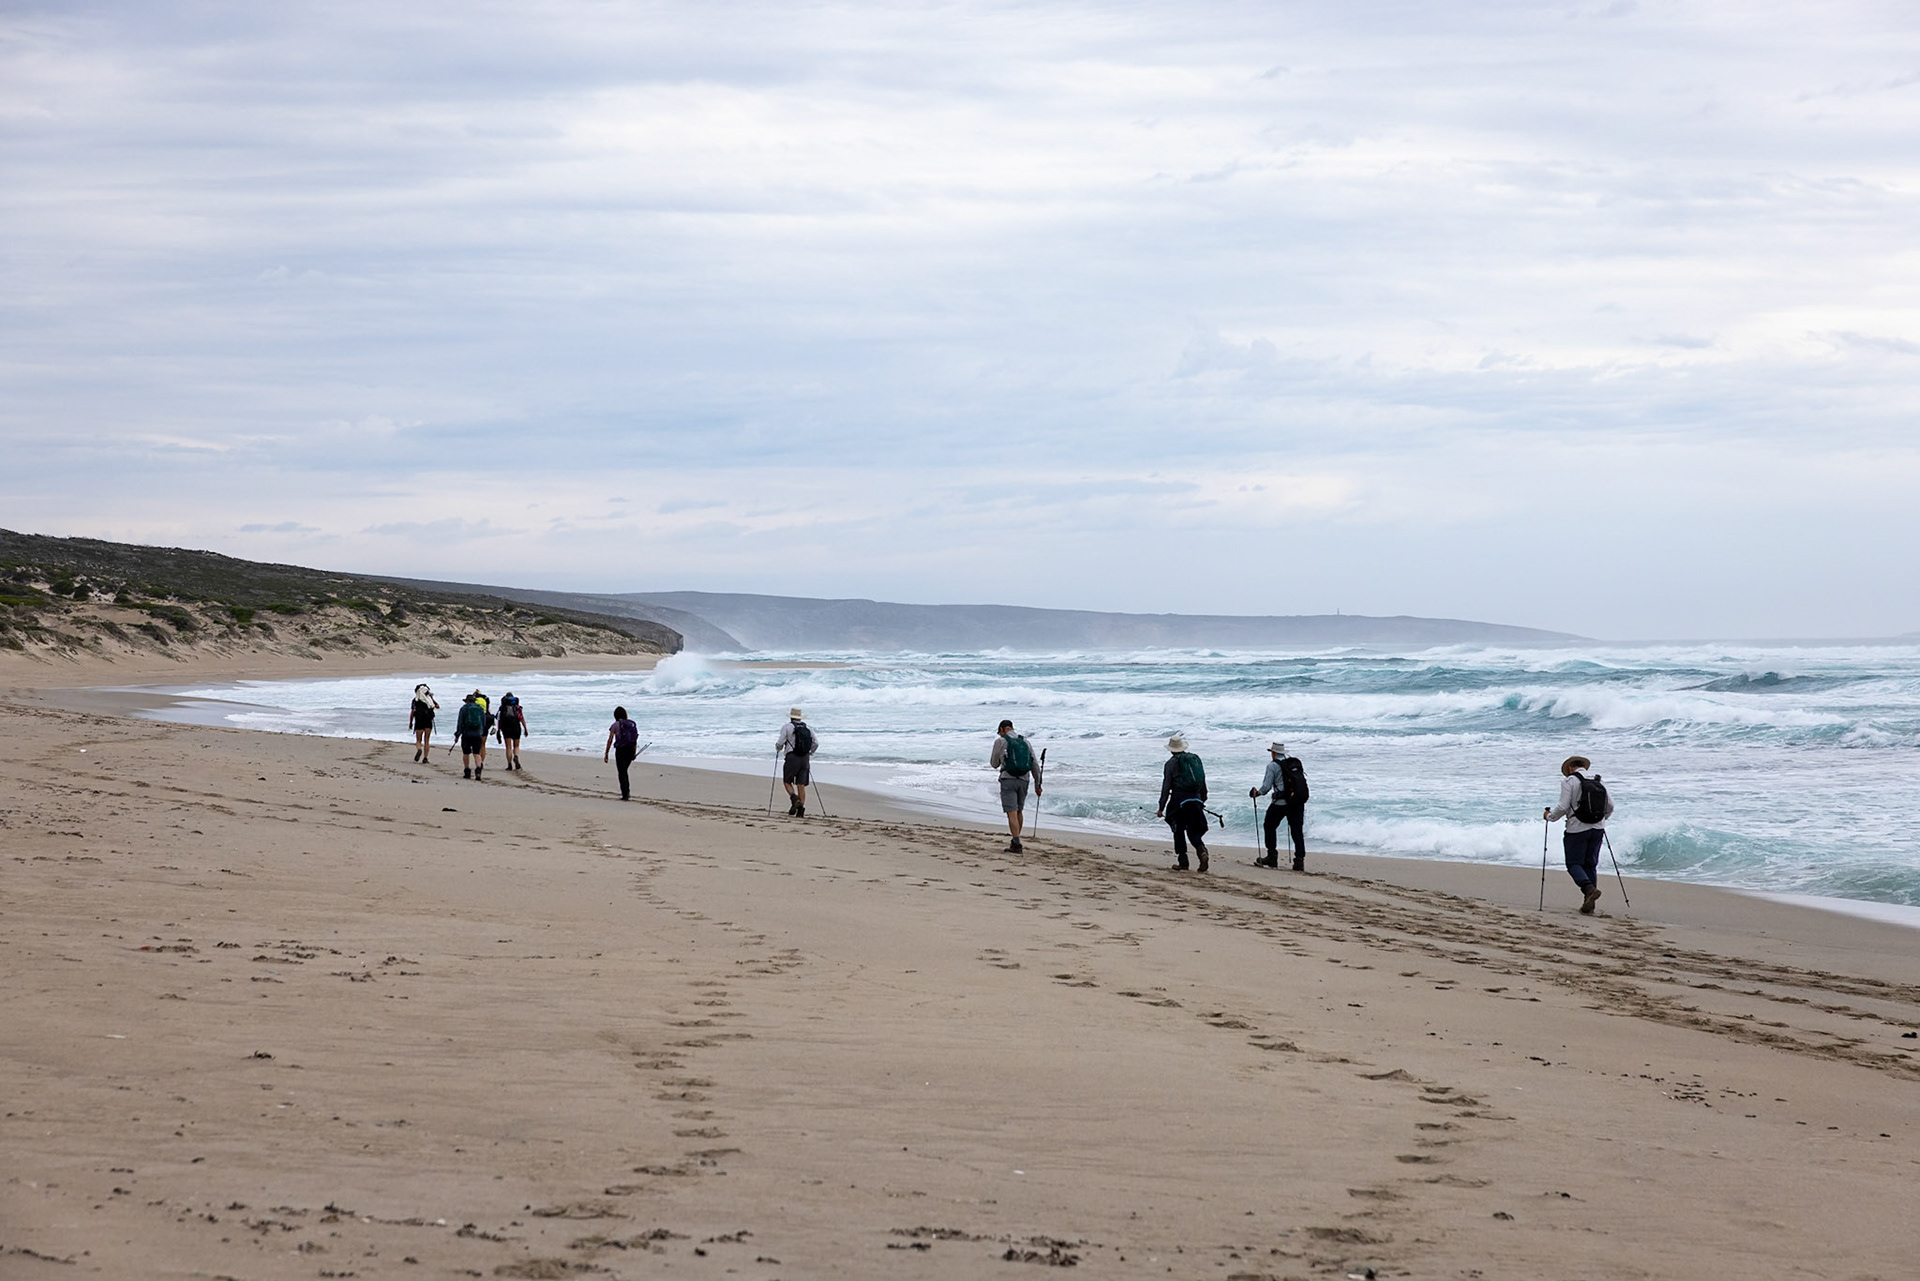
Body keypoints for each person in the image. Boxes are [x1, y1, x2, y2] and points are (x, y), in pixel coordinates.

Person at [1544, 754, 1614, 914]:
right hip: (1597, 828)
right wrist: (1601, 820)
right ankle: (1589, 904)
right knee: (1590, 864)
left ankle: (1589, 889)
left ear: (1570, 768)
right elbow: (1610, 805)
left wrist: (1550, 817)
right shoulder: (1599, 780)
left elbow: (1562, 806)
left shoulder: (1569, 781)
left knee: (1574, 864)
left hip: (1576, 829)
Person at [1250, 741, 1309, 870]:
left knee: (1269, 825)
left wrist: (1257, 793)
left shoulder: (1273, 766)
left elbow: (1266, 787)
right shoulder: (1293, 764)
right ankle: (1299, 861)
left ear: (1273, 753)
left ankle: (1272, 857)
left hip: (1281, 803)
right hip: (1297, 802)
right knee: (1297, 831)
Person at [1156, 735, 1209, 872]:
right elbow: (1202, 781)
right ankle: (1201, 850)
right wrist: (1202, 799)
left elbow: (1166, 788)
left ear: (1171, 749)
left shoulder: (1170, 764)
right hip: (1196, 799)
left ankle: (1183, 862)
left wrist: (1161, 807)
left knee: (1178, 829)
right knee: (1194, 830)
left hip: (1179, 801)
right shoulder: (1194, 760)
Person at [989, 719, 1042, 853]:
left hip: (1008, 779)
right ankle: (1015, 839)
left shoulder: (1000, 741)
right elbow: (1034, 763)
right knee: (1019, 811)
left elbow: (994, 764)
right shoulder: (1025, 741)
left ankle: (1017, 842)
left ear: (1002, 729)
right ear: (1012, 728)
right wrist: (1038, 784)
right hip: (1024, 780)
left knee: (1011, 812)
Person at [776, 707, 818, 817]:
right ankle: (801, 810)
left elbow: (780, 742)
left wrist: (778, 748)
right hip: (804, 758)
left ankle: (794, 798)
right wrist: (810, 753)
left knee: (787, 781)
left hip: (792, 757)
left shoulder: (787, 727)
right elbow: (816, 743)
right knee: (801, 784)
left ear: (791, 716)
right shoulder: (808, 727)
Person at [604, 705, 640, 801]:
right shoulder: (632, 724)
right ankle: (626, 793)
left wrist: (606, 753)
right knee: (624, 771)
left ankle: (625, 794)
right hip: (631, 749)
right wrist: (634, 752)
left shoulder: (615, 725)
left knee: (622, 772)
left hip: (621, 750)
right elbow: (635, 739)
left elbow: (610, 740)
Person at [454, 692, 489, 780]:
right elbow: (483, 722)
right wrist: (481, 732)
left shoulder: (463, 709)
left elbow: (460, 723)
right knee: (476, 753)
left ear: (466, 701)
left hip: (466, 734)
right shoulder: (480, 709)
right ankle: (478, 770)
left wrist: (457, 735)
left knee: (466, 753)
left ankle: (467, 771)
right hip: (477, 734)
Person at [496, 692, 528, 771]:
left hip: (506, 727)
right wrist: (525, 729)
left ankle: (509, 765)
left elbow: (499, 719)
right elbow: (521, 718)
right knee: (516, 746)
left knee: (508, 747)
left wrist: (499, 730)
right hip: (516, 726)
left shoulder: (502, 708)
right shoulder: (517, 707)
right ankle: (516, 756)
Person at [408, 683, 438, 763]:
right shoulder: (429, 700)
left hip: (419, 721)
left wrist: (410, 723)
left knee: (418, 740)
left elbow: (412, 712)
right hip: (428, 721)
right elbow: (437, 706)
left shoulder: (415, 701)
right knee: (427, 740)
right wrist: (432, 698)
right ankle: (425, 758)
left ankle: (419, 749)